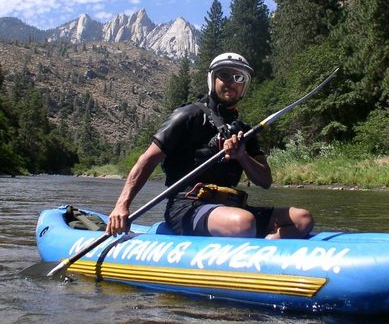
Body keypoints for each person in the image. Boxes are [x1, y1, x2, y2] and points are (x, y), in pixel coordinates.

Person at [106, 52, 314, 239]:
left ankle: (266, 248)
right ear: (213, 79)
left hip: (229, 206)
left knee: (302, 219)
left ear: (244, 86)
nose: (231, 82)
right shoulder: (187, 115)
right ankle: (248, 235)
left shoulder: (245, 131)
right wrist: (121, 205)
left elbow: (265, 180)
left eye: (238, 78)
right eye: (224, 75)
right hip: (187, 205)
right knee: (244, 222)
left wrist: (242, 156)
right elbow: (148, 159)